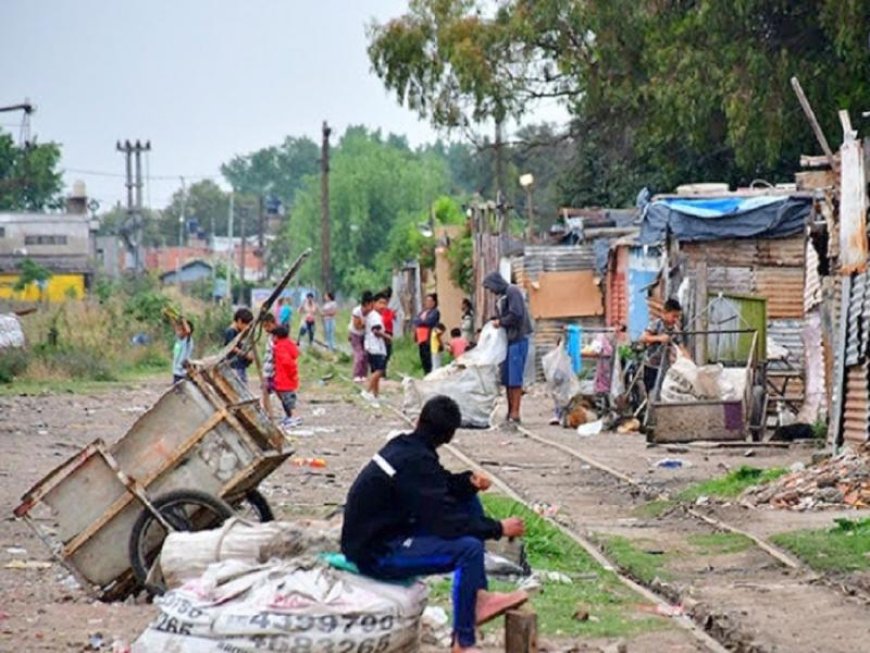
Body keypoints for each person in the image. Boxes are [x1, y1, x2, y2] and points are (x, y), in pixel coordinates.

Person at [341, 395, 528, 653]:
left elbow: (438, 485)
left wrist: (466, 483)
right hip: (377, 551)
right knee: (469, 549)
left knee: (466, 500)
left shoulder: (407, 448)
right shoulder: (415, 461)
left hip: (387, 530)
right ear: (449, 437)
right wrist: (498, 528)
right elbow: (446, 522)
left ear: (418, 420)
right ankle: (463, 640)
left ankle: (479, 597)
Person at [482, 272, 533, 427]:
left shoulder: (512, 291)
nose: (491, 292)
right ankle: (510, 411)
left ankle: (515, 412)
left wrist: (501, 322)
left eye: (491, 288)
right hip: (509, 341)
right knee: (508, 378)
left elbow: (516, 315)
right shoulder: (504, 296)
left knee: (515, 378)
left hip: (517, 339)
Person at [639, 298, 689, 396]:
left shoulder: (675, 330)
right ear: (665, 313)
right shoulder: (656, 324)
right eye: (673, 316)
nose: (675, 319)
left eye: (677, 317)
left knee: (663, 391)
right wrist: (659, 338)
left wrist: (690, 363)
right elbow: (643, 338)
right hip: (651, 364)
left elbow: (682, 348)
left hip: (665, 367)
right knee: (651, 392)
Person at [361, 297, 390, 405]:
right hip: (376, 347)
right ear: (374, 303)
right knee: (380, 370)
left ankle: (375, 395)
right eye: (380, 303)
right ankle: (366, 390)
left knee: (375, 371)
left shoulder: (372, 315)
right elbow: (376, 331)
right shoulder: (375, 316)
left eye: (385, 303)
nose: (383, 306)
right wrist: (387, 337)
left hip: (371, 346)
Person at [272, 325, 301, 428]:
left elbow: (288, 363)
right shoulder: (289, 345)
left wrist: (291, 374)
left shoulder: (280, 348)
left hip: (284, 379)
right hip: (287, 379)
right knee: (287, 399)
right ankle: (290, 416)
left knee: (288, 400)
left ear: (277, 336)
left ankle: (294, 417)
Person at [224, 308, 254, 384]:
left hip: (240, 365)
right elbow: (231, 347)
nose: (247, 327)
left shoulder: (241, 332)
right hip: (234, 365)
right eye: (246, 324)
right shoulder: (230, 331)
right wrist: (245, 354)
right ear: (240, 321)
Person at [349, 291, 374, 382]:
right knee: (359, 355)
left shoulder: (371, 312)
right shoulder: (357, 311)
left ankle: (364, 375)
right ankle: (356, 374)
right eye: (371, 305)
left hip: (365, 335)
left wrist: (364, 324)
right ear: (366, 304)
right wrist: (364, 324)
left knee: (366, 355)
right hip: (355, 334)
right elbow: (357, 326)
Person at [413, 293, 440, 375]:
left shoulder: (435, 312)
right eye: (427, 300)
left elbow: (429, 322)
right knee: (423, 357)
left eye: (430, 301)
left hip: (429, 338)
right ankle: (426, 373)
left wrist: (421, 322)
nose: (428, 302)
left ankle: (430, 373)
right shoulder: (422, 312)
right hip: (421, 338)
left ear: (434, 302)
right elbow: (415, 320)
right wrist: (421, 322)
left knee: (429, 357)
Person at [377, 289, 395, 373]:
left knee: (387, 352)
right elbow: (386, 320)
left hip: (388, 331)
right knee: (384, 352)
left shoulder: (388, 310)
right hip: (384, 332)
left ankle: (382, 370)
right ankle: (381, 371)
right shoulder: (381, 311)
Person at [171, 317, 194, 384]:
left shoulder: (187, 341)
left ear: (184, 332)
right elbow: (174, 325)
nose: (177, 332)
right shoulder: (178, 340)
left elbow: (188, 331)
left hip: (182, 372)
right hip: (176, 371)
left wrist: (184, 321)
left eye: (180, 330)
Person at [260, 312, 277, 395]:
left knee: (274, 392)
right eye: (264, 327)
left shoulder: (276, 336)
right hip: (268, 370)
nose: (266, 329)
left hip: (273, 371)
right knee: (266, 391)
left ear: (273, 323)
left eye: (268, 326)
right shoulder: (269, 336)